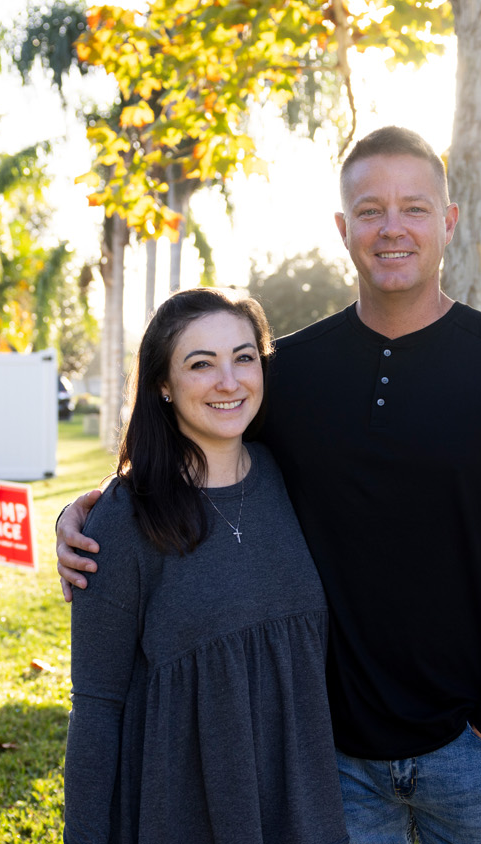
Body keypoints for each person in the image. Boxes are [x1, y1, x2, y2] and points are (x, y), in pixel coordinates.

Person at [59, 126, 481, 843]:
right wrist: (89, 510)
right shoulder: (291, 373)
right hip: (331, 762)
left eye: (413, 207)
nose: (392, 228)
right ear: (344, 229)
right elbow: (199, 438)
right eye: (370, 210)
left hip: (475, 760)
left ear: (449, 220)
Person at [62, 287, 347, 844]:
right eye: (201, 364)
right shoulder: (124, 519)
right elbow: (96, 707)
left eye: (244, 357)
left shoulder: (291, 475)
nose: (229, 381)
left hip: (302, 805)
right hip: (183, 812)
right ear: (163, 385)